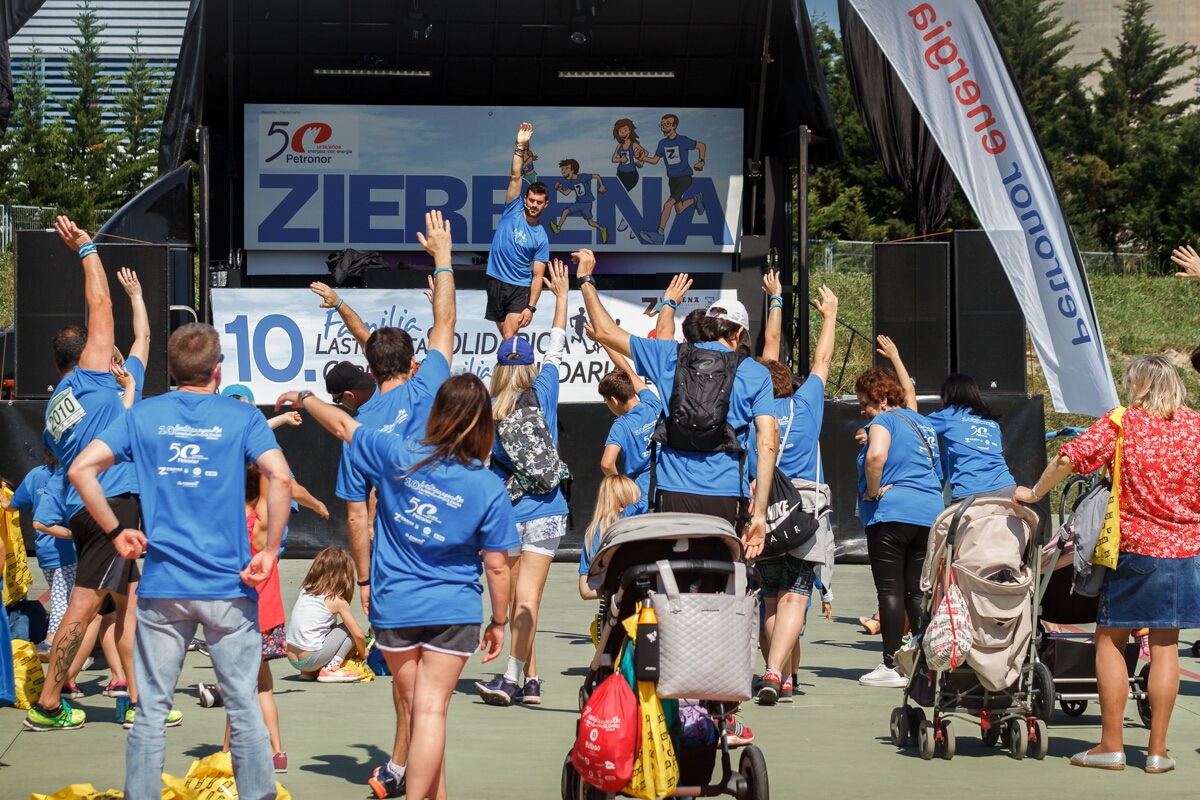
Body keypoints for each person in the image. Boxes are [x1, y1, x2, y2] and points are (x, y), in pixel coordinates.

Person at [70, 322, 291, 799]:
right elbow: (280, 477)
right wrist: (270, 550)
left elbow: (80, 469)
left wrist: (116, 530)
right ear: (218, 370)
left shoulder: (143, 415)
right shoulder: (242, 417)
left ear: (170, 371)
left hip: (164, 587)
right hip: (228, 588)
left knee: (150, 710)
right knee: (243, 706)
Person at [276, 372, 516, 800]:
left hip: (395, 607)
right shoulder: (487, 486)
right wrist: (499, 622)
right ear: (483, 423)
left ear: (436, 414)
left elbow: (342, 426)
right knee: (430, 714)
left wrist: (306, 396)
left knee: (418, 713)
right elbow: (497, 567)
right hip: (453, 611)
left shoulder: (397, 453)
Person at [1015, 355, 1200, 773]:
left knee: (1110, 641)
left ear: (1140, 385)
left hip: (1135, 549)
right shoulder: (1195, 425)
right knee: (1166, 647)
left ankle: (1111, 745)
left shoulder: (1123, 422)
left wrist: (1034, 492)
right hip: (1187, 550)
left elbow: (1070, 457)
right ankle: (1157, 752)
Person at [577, 250, 775, 557]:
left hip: (671, 492)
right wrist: (759, 514)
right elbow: (767, 444)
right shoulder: (756, 373)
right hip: (724, 495)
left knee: (670, 581)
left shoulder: (669, 356)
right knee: (721, 584)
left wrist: (586, 279)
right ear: (738, 333)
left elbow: (605, 332)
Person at [25, 217, 142, 733]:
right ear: (86, 358)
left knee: (129, 602)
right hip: (111, 502)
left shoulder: (57, 406)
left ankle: (135, 696)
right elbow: (102, 306)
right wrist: (87, 250)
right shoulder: (96, 377)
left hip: (88, 506)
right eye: (99, 347)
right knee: (84, 606)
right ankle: (49, 702)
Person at [475, 259, 571, 707]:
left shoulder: (488, 409)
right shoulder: (546, 387)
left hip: (510, 513)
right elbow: (558, 340)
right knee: (528, 601)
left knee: (515, 602)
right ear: (531, 366)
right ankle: (530, 680)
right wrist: (562, 295)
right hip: (551, 511)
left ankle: (512, 679)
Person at [752, 270, 838, 705]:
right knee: (795, 596)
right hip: (804, 512)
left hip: (763, 512)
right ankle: (775, 673)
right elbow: (821, 361)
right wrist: (830, 316)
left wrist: (776, 301)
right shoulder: (806, 406)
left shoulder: (754, 416)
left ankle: (780, 675)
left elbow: (769, 351)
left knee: (768, 599)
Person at [853, 347, 944, 688]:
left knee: (889, 592)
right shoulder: (920, 420)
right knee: (915, 593)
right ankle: (923, 664)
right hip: (930, 516)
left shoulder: (883, 421)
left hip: (892, 516)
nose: (862, 410)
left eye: (865, 403)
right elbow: (910, 394)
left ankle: (891, 665)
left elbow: (876, 457)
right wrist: (897, 358)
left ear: (882, 400)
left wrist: (874, 492)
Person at [486, 122, 550, 340]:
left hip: (518, 287)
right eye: (531, 200)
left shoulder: (541, 236)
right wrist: (520, 147)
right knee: (505, 335)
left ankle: (510, 373)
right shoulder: (512, 208)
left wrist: (531, 307)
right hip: (495, 280)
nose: (533, 204)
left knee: (509, 335)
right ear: (525, 199)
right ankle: (510, 370)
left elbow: (538, 276)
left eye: (538, 202)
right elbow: (515, 176)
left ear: (545, 205)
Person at [595, 345, 661, 518]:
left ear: (614, 400)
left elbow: (606, 463)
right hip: (670, 486)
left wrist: (621, 487)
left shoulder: (621, 425)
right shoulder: (652, 403)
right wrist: (604, 341)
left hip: (642, 496)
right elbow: (627, 370)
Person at [926, 373, 1016, 500]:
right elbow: (974, 453)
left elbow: (914, 428)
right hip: (1007, 489)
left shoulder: (947, 415)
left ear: (948, 395)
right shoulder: (992, 422)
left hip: (971, 492)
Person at [285, 547, 368, 680]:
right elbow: (358, 635)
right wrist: (363, 653)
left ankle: (308, 673)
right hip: (311, 659)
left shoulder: (305, 592)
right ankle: (331, 668)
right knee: (351, 627)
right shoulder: (336, 600)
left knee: (328, 629)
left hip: (293, 658)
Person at [638, 113, 707, 245]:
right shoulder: (662, 143)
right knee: (679, 209)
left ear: (674, 126)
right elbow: (654, 160)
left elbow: (701, 146)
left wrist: (701, 161)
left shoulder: (682, 140)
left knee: (667, 204)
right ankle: (695, 199)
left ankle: (659, 234)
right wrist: (642, 158)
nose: (664, 127)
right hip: (672, 180)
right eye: (662, 125)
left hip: (685, 178)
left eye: (668, 124)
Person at [550, 158, 609, 243]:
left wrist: (601, 186)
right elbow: (566, 193)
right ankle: (558, 228)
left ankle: (602, 229)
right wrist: (559, 189)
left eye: (566, 169)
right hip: (578, 203)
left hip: (586, 204)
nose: (563, 171)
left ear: (573, 170)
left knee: (590, 222)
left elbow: (596, 176)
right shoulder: (572, 183)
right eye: (562, 169)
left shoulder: (582, 177)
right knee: (565, 212)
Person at [611, 117, 648, 193]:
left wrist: (641, 162)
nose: (623, 133)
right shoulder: (619, 146)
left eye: (625, 130)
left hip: (631, 173)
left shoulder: (633, 144)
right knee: (621, 192)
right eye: (620, 131)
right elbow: (613, 159)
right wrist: (621, 159)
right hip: (620, 173)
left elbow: (645, 152)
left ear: (630, 131)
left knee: (626, 192)